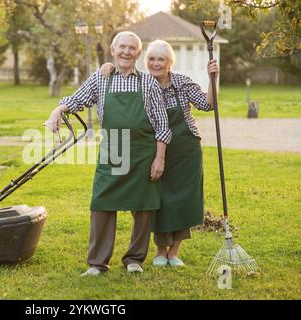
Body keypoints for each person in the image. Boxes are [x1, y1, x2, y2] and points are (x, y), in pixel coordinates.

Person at [46, 32, 172, 276]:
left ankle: (134, 259)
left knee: (144, 207)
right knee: (102, 203)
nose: (126, 51)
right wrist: (57, 112)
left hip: (143, 151)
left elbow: (162, 125)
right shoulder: (101, 78)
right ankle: (97, 263)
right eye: (122, 47)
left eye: (132, 48)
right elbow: (77, 99)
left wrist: (159, 159)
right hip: (114, 147)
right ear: (113, 50)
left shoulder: (148, 83)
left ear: (138, 53)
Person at [100, 39, 219, 267]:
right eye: (152, 59)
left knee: (183, 200)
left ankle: (174, 252)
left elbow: (207, 105)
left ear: (169, 63)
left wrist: (214, 77)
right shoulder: (141, 82)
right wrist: (109, 67)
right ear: (146, 61)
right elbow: (119, 76)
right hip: (153, 150)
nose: (156, 63)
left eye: (161, 59)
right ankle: (159, 250)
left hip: (185, 150)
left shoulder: (182, 83)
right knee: (157, 200)